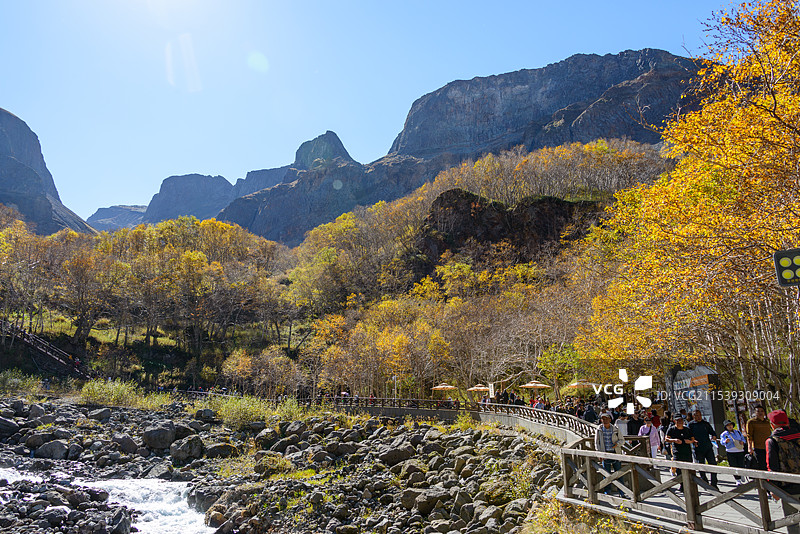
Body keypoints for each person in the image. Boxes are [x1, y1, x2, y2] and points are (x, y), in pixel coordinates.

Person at [765, 410, 800, 534]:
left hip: (788, 487)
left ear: (772, 424)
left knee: (793, 522)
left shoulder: (772, 441)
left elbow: (772, 467)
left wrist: (773, 489)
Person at [594, 412, 625, 496]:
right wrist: (599, 454)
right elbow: (597, 443)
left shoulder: (615, 429)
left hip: (615, 453)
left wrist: (617, 444)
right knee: (606, 474)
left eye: (606, 419)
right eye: (603, 419)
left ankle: (621, 492)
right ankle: (607, 492)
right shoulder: (599, 429)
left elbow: (622, 440)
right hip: (605, 454)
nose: (605, 420)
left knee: (619, 473)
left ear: (610, 419)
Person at [665, 414, 697, 491]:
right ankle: (682, 485)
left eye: (681, 420)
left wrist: (689, 441)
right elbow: (666, 438)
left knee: (689, 467)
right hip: (677, 451)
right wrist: (674, 440)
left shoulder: (687, 429)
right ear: (675, 421)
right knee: (679, 468)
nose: (680, 422)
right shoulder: (672, 429)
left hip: (687, 451)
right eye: (678, 421)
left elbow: (693, 439)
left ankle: (690, 484)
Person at [688, 409, 719, 487]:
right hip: (698, 448)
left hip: (708, 447)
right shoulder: (690, 425)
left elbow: (712, 432)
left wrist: (714, 436)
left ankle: (714, 483)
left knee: (713, 464)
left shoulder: (705, 424)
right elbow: (688, 436)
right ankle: (704, 482)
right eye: (696, 415)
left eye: (700, 415)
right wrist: (693, 441)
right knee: (701, 466)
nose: (698, 417)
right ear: (693, 416)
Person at [720, 419, 746, 484]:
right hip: (730, 451)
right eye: (728, 425)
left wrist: (743, 442)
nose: (730, 426)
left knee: (741, 464)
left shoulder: (738, 432)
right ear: (725, 427)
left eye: (731, 424)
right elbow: (722, 442)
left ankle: (742, 474)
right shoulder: (724, 434)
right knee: (733, 465)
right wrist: (725, 441)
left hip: (740, 450)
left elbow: (743, 439)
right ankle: (737, 480)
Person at [746, 405, 772, 470]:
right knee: (761, 465)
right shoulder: (751, 422)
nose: (760, 413)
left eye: (762, 411)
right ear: (755, 413)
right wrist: (749, 447)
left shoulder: (767, 422)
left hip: (768, 447)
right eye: (758, 411)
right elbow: (749, 435)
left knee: (770, 464)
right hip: (758, 448)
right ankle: (762, 479)